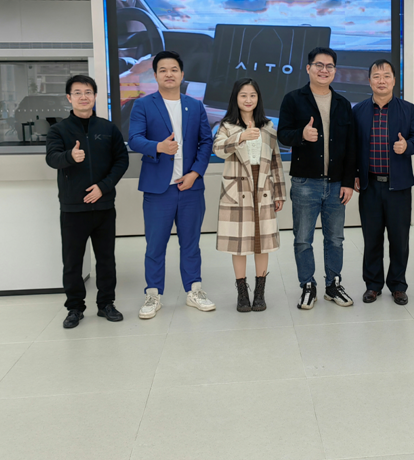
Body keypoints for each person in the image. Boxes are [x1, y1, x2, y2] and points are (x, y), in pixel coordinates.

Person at [128, 50, 215, 319]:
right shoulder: (143, 105)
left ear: (182, 74)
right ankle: (153, 294)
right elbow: (135, 139)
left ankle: (194, 291)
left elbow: (206, 142)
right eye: (163, 70)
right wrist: (159, 147)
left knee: (191, 243)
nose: (169, 74)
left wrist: (195, 173)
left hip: (190, 187)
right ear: (155, 75)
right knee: (155, 245)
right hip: (158, 189)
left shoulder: (195, 106)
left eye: (174, 69)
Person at [46, 75, 129, 329]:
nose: (84, 97)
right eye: (78, 92)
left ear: (95, 96)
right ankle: (74, 308)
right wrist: (70, 156)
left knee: (106, 259)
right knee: (72, 261)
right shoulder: (58, 130)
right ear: (69, 97)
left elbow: (121, 161)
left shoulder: (108, 128)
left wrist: (103, 187)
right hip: (73, 208)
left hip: (104, 206)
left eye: (88, 92)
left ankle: (106, 304)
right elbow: (52, 158)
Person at [277, 47, 357, 310]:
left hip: (336, 184)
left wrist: (348, 182)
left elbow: (351, 146)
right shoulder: (293, 99)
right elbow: (282, 135)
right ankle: (307, 285)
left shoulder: (343, 104)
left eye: (329, 66)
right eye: (319, 65)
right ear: (308, 68)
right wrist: (301, 135)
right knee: (303, 239)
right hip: (305, 183)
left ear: (335, 70)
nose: (324, 70)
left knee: (335, 239)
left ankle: (333, 285)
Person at [352, 59, 414, 306]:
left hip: (398, 186)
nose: (381, 81)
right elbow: (353, 146)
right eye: (376, 76)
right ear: (369, 80)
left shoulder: (408, 109)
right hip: (370, 185)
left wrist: (407, 146)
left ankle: (398, 286)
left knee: (399, 239)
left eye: (386, 76)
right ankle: (373, 285)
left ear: (394, 80)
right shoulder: (358, 110)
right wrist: (355, 174)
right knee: (371, 239)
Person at [213, 78, 286, 312]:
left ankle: (260, 293)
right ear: (236, 98)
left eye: (252, 95)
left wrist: (279, 193)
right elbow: (218, 150)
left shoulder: (268, 126)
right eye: (243, 95)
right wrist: (240, 137)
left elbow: (276, 161)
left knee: (261, 242)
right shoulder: (227, 125)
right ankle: (242, 293)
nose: (248, 100)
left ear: (258, 98)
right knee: (239, 243)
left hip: (263, 187)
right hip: (237, 189)